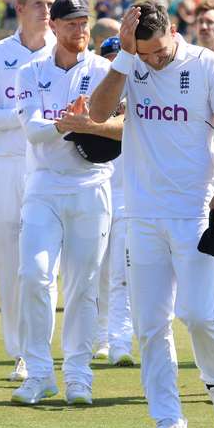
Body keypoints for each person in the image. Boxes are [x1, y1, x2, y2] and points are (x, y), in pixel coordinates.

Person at [88, 1, 214, 428]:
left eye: (159, 52)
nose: (154, 61)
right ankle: (170, 422)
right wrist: (125, 54)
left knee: (197, 314)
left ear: (173, 32)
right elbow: (99, 113)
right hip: (141, 214)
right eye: (146, 53)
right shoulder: (131, 61)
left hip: (194, 211)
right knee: (150, 324)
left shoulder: (207, 64)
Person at [10, 0, 119, 407]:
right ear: (53, 26)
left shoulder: (104, 70)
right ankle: (39, 373)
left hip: (91, 184)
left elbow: (121, 124)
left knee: (83, 284)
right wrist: (67, 122)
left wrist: (92, 124)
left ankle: (78, 374)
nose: (80, 30)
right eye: (71, 23)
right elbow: (33, 130)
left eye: (84, 22)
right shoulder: (30, 72)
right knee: (34, 276)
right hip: (43, 184)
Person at [0, 0, 57, 382]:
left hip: (48, 164)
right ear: (20, 8)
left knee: (41, 264)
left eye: (50, 4)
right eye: (39, 4)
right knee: (11, 260)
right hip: (6, 163)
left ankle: (41, 347)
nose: (46, 10)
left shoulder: (63, 53)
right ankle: (19, 350)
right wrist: (25, 114)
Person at [94, 35, 135, 367]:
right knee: (95, 269)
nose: (113, 62)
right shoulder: (97, 96)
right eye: (108, 56)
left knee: (122, 271)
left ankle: (121, 340)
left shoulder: (140, 93)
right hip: (95, 190)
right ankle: (100, 336)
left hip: (127, 195)